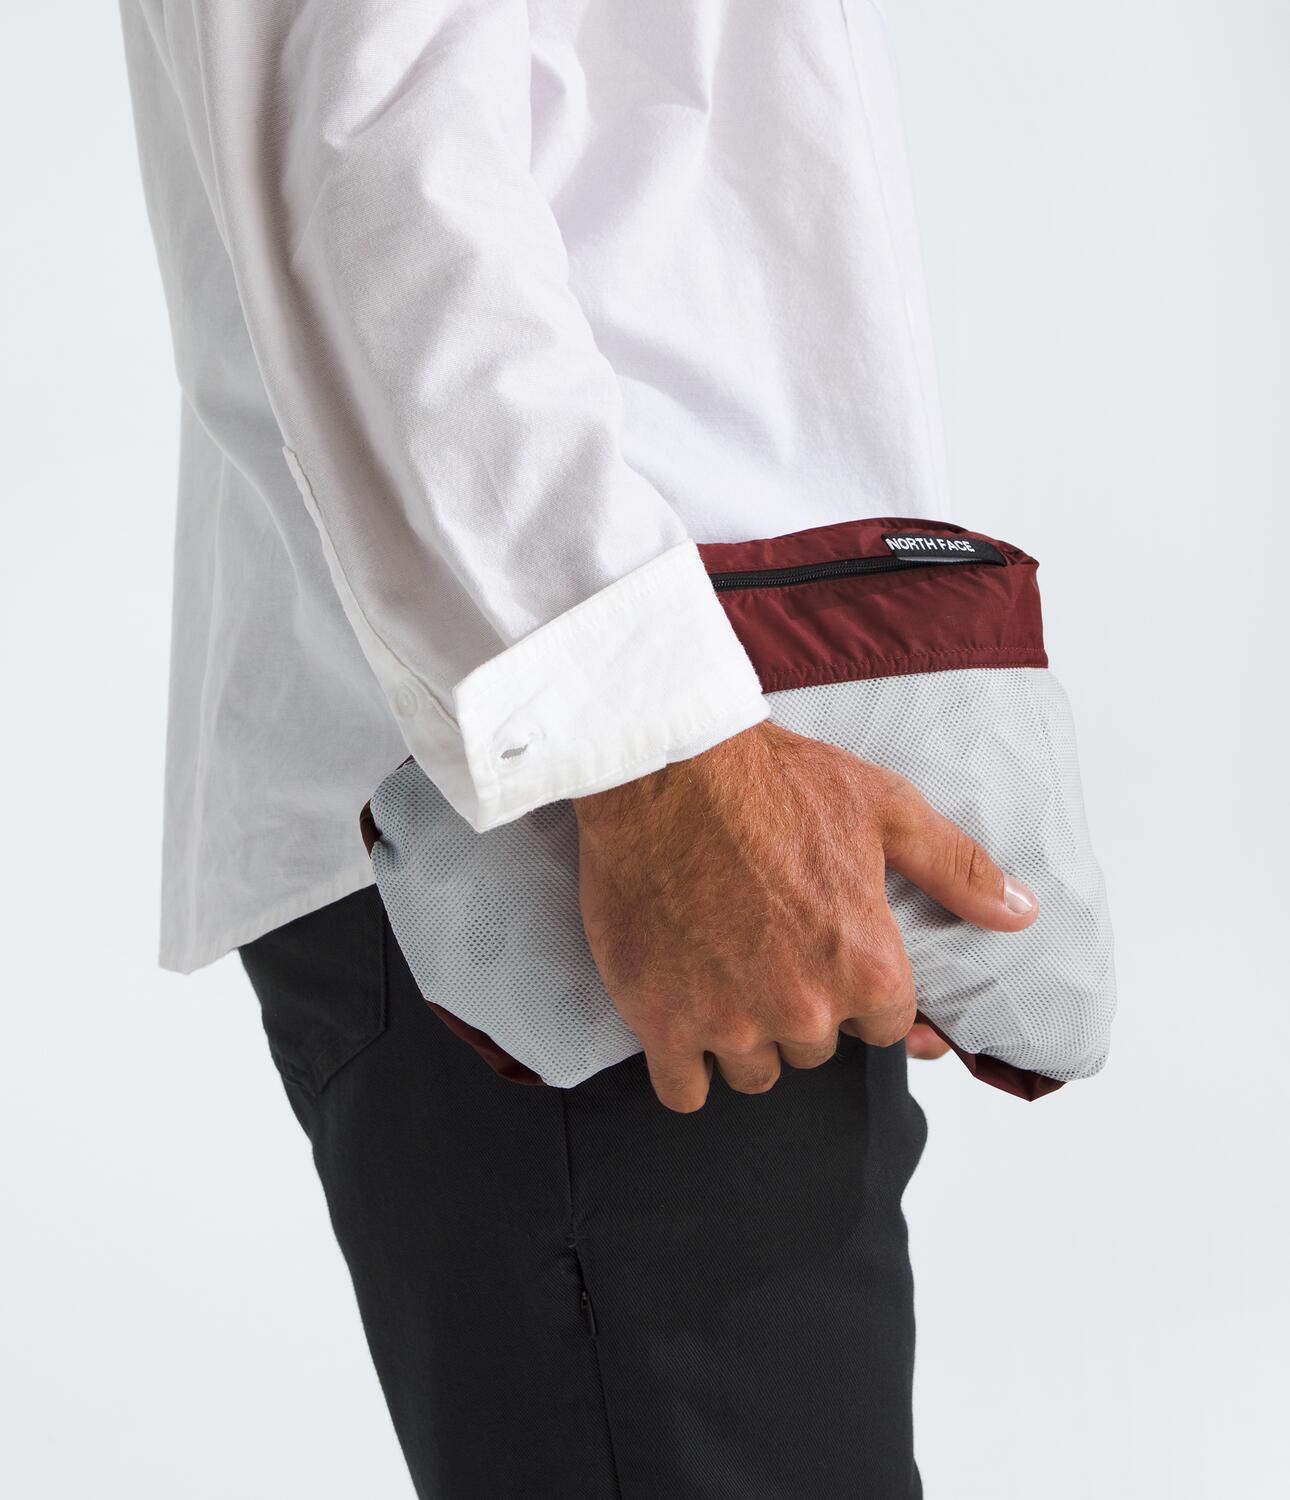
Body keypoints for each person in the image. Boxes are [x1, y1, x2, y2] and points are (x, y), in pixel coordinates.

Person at [119, 3, 1037, 1494]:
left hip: (693, 761)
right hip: (568, 821)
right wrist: (662, 760)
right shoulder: (639, 779)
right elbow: (374, 149)